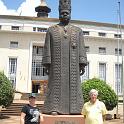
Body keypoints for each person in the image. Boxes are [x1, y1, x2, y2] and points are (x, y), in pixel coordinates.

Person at [42, 0, 87, 115]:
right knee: (55, 85)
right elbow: (47, 47)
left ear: (70, 12)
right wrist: (47, 63)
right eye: (63, 12)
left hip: (73, 66)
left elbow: (82, 47)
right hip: (57, 66)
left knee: (74, 86)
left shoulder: (78, 31)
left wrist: (82, 63)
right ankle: (54, 108)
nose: (65, 14)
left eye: (67, 12)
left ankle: (75, 109)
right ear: (59, 13)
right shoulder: (51, 30)